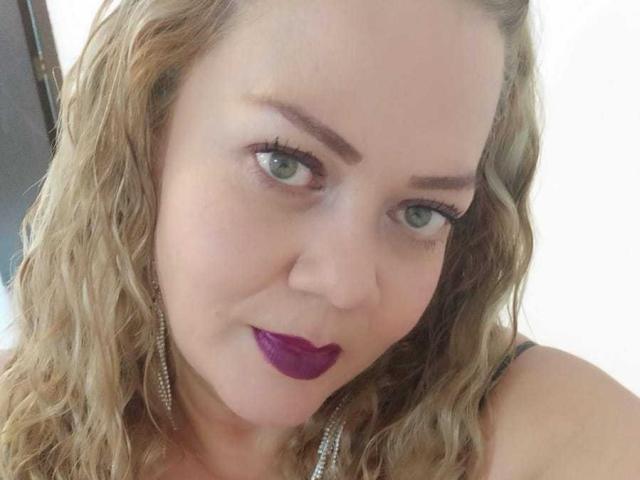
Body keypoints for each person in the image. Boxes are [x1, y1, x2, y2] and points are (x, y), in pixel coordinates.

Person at [0, 0, 638, 478]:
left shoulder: (549, 436)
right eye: (285, 163)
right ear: (148, 127)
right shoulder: (19, 432)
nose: (346, 286)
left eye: (422, 212)